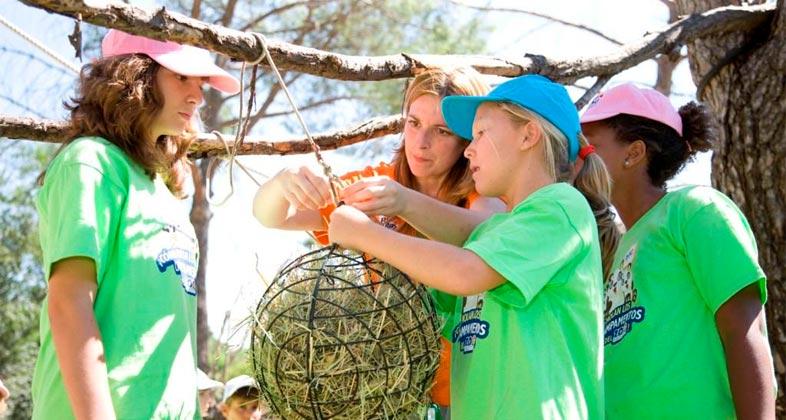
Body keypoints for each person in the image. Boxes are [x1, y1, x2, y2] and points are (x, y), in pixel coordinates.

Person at [327, 74, 619, 419]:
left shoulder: (560, 207)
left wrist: (366, 235)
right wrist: (398, 203)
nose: (468, 148)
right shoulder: (495, 234)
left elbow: (464, 270)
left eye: (481, 132)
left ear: (528, 135)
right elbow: (465, 238)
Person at [252, 67, 505, 417]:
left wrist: (404, 204)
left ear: (467, 140)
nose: (421, 143)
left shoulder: (480, 192)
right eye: (413, 123)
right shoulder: (379, 182)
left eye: (441, 131)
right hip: (392, 387)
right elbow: (272, 216)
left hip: (463, 392)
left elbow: (486, 229)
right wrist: (284, 182)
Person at [31, 29, 239, 419]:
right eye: (181, 77)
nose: (197, 96)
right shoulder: (91, 162)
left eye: (200, 83)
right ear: (135, 76)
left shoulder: (162, 188)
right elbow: (68, 301)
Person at [580, 83, 776, 419]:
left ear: (634, 153)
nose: (578, 160)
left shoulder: (695, 210)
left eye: (590, 148)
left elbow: (745, 331)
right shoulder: (620, 247)